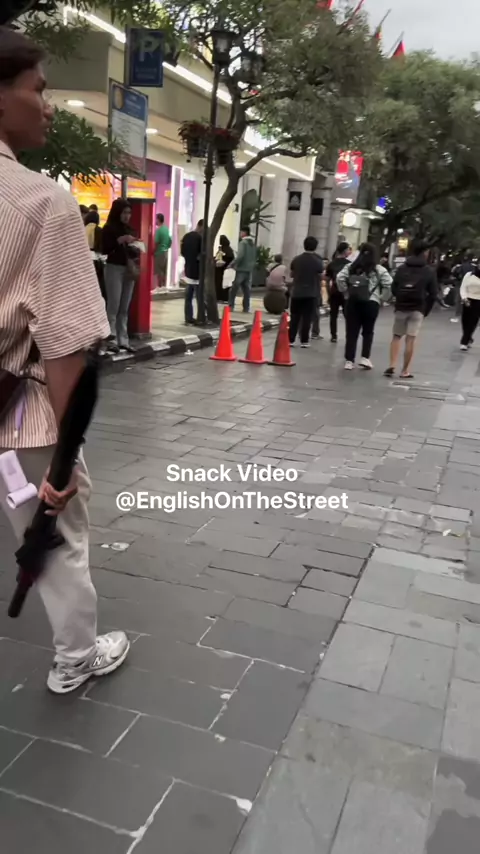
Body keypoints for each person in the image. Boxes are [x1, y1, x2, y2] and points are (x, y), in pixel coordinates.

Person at [0, 26, 129, 693]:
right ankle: (76, 657)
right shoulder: (39, 203)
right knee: (55, 537)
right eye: (38, 90)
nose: (47, 106)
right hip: (19, 418)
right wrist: (63, 464)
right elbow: (66, 346)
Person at [384, 239, 438, 378]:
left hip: (401, 306)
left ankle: (392, 365)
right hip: (418, 308)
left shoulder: (402, 268)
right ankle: (405, 370)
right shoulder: (428, 270)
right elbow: (433, 293)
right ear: (425, 252)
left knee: (396, 336)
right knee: (411, 338)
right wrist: (426, 310)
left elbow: (394, 287)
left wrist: (399, 299)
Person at [337, 242, 392, 370]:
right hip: (371, 302)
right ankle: (365, 358)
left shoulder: (351, 267)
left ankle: (349, 360)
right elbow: (389, 284)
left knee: (351, 332)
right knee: (368, 331)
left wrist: (345, 292)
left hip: (353, 301)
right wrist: (382, 298)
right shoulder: (378, 269)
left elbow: (340, 278)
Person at [101, 198, 139, 353]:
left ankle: (123, 339)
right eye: (124, 212)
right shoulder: (109, 228)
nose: (127, 216)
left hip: (128, 269)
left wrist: (135, 246)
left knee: (124, 306)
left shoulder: (130, 229)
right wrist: (120, 240)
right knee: (114, 305)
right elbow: (104, 249)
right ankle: (111, 338)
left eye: (129, 213)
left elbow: (135, 252)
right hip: (114, 268)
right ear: (117, 212)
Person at [289, 236, 324, 348]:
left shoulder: (296, 259)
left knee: (295, 317)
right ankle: (304, 341)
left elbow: (291, 274)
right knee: (307, 318)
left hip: (297, 292)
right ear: (315, 247)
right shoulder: (318, 261)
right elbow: (321, 275)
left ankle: (291, 339)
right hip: (311, 293)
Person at [326, 241, 351, 343]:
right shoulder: (349, 264)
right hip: (345, 292)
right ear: (345, 251)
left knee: (333, 315)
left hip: (334, 291)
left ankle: (333, 336)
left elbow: (327, 280)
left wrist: (328, 292)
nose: (349, 251)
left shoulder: (332, 264)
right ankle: (349, 334)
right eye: (348, 249)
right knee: (348, 315)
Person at [229, 226, 256, 313]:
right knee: (246, 290)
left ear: (244, 233)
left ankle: (231, 305)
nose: (240, 234)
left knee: (234, 288)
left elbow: (240, 255)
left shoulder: (243, 243)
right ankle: (246, 307)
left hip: (241, 269)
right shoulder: (252, 244)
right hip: (249, 269)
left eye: (241, 232)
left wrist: (232, 264)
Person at [181, 219, 203, 324]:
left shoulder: (186, 236)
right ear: (201, 226)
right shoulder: (200, 238)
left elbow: (182, 252)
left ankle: (188, 317)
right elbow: (201, 254)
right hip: (198, 270)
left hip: (188, 268)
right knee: (199, 295)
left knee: (188, 295)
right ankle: (200, 316)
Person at [84, 210, 105, 301]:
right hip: (96, 260)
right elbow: (101, 248)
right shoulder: (99, 230)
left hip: (85, 259)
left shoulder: (83, 229)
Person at [459, 264, 480, 350]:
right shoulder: (469, 274)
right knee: (465, 320)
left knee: (473, 321)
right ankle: (468, 337)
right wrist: (464, 298)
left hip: (478, 300)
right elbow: (463, 287)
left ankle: (464, 342)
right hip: (467, 299)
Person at [153, 212, 172, 291]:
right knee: (164, 270)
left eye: (156, 219)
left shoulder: (159, 230)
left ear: (158, 219)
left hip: (159, 252)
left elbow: (156, 243)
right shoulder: (166, 229)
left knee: (159, 271)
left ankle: (159, 287)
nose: (155, 221)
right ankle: (163, 286)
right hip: (165, 252)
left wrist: (153, 251)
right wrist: (167, 247)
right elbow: (170, 240)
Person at [214, 234, 235, 303]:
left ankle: (219, 297)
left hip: (220, 270)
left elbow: (218, 258)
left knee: (219, 284)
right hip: (227, 270)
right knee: (226, 284)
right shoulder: (230, 249)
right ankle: (226, 298)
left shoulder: (222, 249)